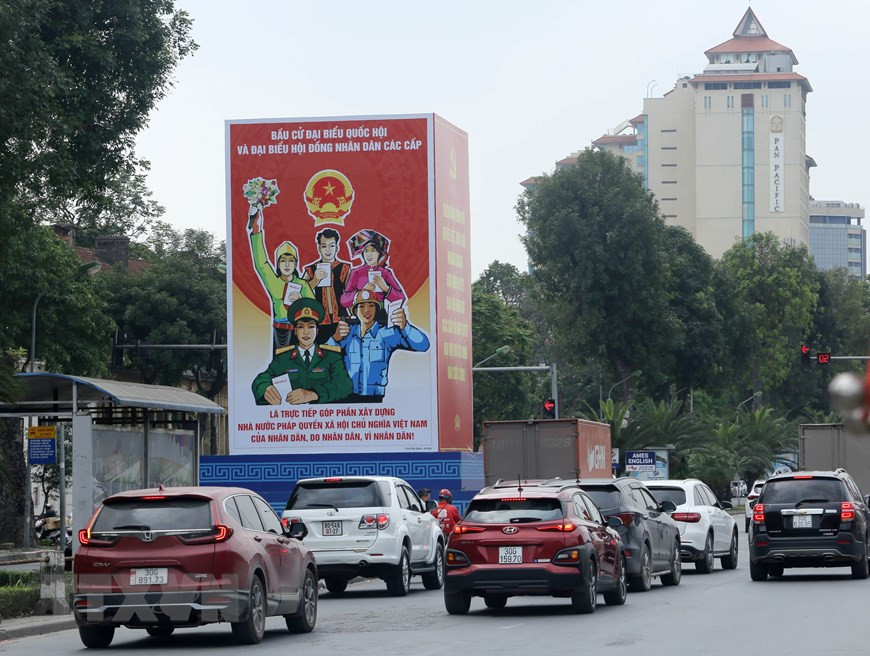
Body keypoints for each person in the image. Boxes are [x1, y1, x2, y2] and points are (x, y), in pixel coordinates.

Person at [328, 289, 429, 402]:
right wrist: (335, 338)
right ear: (355, 311)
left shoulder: (387, 333)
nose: (367, 310)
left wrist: (405, 326)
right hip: (346, 396)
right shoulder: (347, 333)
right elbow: (323, 358)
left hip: (374, 398)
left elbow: (423, 345)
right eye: (361, 306)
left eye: (371, 305)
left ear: (376, 309)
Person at [251, 298, 352, 405]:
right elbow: (261, 379)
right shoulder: (284, 358)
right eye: (300, 327)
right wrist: (265, 388)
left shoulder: (332, 356)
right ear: (295, 331)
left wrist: (313, 394)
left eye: (311, 327)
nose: (306, 332)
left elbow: (345, 385)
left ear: (317, 331)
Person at [247, 204, 314, 353]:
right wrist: (256, 228)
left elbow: (315, 308)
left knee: (298, 368)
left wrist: (301, 303)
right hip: (280, 331)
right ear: (278, 264)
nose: (287, 264)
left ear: (296, 264)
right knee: (280, 369)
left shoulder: (302, 284)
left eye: (291, 261)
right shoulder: (274, 282)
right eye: (283, 261)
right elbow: (261, 263)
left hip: (299, 331)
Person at [301, 228, 352, 343]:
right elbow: (300, 292)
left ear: (337, 247)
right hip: (319, 319)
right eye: (324, 246)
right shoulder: (311, 269)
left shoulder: (344, 268)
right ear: (319, 248)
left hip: (341, 317)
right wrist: (315, 280)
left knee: (342, 351)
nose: (328, 250)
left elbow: (351, 292)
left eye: (332, 246)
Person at [340, 229, 406, 310]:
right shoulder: (356, 272)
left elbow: (401, 298)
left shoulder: (385, 273)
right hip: (361, 313)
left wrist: (386, 288)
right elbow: (344, 300)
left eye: (373, 250)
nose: (369, 255)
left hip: (380, 314)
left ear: (379, 253)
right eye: (366, 251)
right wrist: (361, 292)